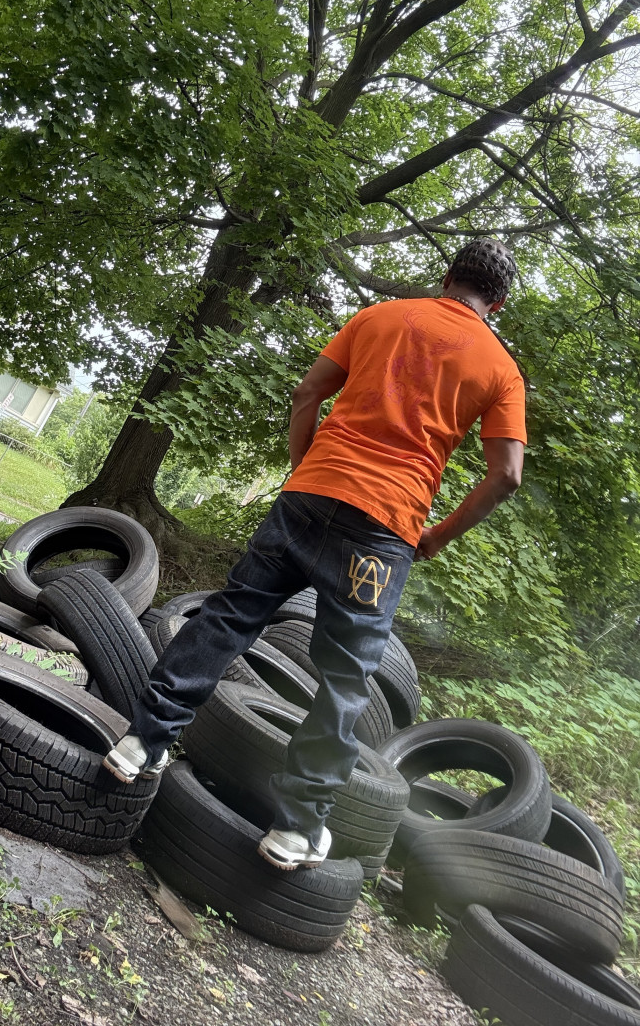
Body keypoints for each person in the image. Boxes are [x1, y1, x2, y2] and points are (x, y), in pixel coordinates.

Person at [103, 237, 527, 871]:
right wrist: (435, 536)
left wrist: (307, 469)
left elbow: (307, 394)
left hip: (309, 495)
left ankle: (142, 742)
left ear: (448, 277)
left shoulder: (379, 317)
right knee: (345, 678)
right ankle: (296, 828)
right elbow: (508, 474)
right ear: (498, 302)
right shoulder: (500, 369)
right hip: (383, 530)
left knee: (230, 616)